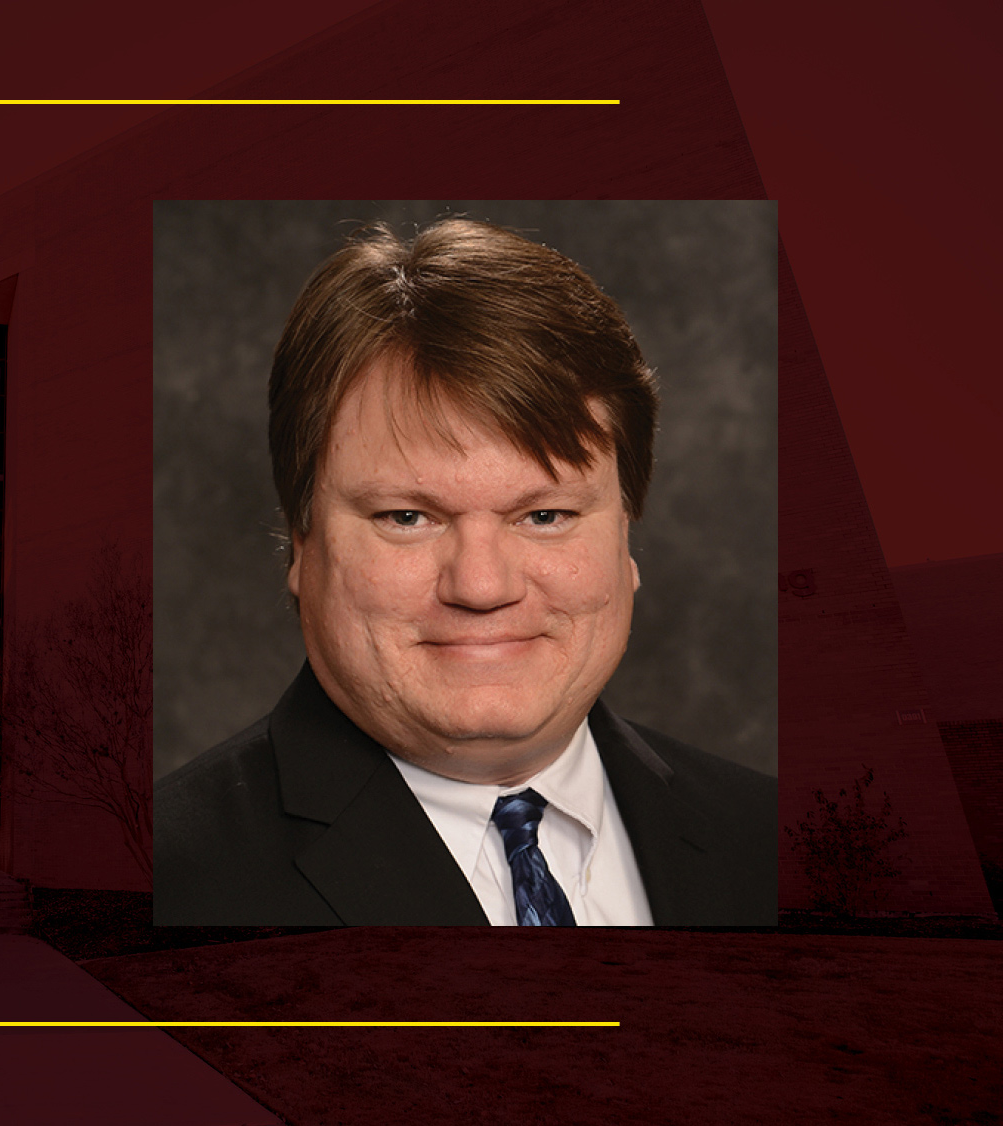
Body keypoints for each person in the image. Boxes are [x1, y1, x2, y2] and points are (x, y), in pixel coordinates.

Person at [155, 219, 776, 926]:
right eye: (406, 517)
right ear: (301, 543)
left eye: (545, 515)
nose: (481, 587)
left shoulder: (769, 841)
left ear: (626, 533)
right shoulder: (169, 882)